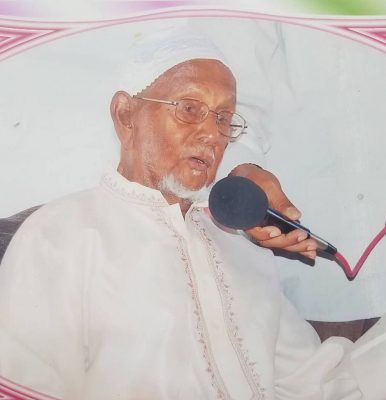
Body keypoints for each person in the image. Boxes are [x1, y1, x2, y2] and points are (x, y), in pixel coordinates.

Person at [0, 26, 385, 400]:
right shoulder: (56, 236)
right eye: (189, 109)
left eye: (223, 118)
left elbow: (318, 384)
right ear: (125, 115)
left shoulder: (240, 248)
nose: (212, 135)